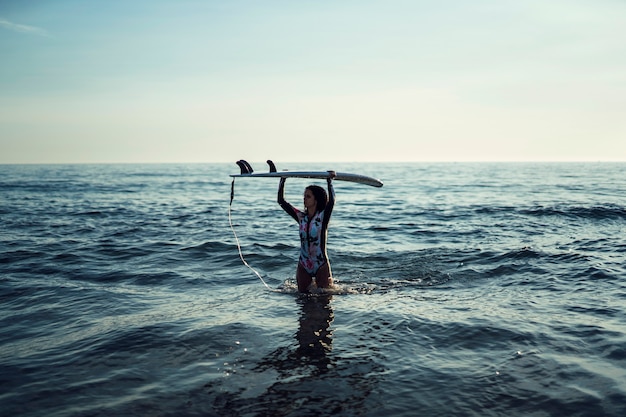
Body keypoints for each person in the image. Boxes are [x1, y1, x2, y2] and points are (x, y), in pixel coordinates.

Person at [278, 172, 336, 293]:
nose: (304, 199)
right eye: (304, 196)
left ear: (316, 199)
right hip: (303, 264)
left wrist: (329, 181)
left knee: (324, 300)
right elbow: (281, 201)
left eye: (308, 196)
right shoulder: (301, 217)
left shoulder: (323, 217)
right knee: (302, 300)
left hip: (320, 264)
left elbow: (331, 202)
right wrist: (282, 180)